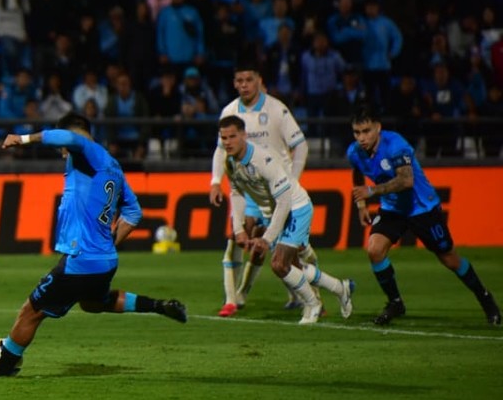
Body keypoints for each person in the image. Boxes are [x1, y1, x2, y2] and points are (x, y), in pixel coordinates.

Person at [0, 112, 187, 378]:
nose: (63, 152)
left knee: (31, 312)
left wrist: (23, 139)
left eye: (62, 147)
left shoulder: (88, 151)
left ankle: (2, 368)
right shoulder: (114, 166)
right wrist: (108, 243)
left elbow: (71, 138)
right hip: (105, 260)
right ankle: (157, 305)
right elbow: (133, 212)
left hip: (81, 258)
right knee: (93, 303)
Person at [348, 107, 500, 326]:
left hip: (421, 208)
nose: (361, 138)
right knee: (374, 250)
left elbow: (406, 181)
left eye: (366, 131)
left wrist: (371, 191)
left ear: (378, 128)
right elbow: (357, 170)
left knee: (449, 259)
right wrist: (361, 205)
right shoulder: (355, 151)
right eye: (357, 132)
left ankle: (485, 297)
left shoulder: (396, 145)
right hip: (393, 209)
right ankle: (395, 302)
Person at [218, 115, 355, 324]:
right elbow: (236, 193)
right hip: (275, 212)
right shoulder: (229, 161)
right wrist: (238, 229)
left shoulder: (263, 160)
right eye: (224, 138)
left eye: (232, 137)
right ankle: (340, 288)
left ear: (244, 135)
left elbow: (284, 201)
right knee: (292, 266)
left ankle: (313, 304)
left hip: (295, 208)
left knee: (279, 264)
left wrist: (267, 238)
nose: (227, 142)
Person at [208, 63, 316, 317]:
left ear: (259, 80)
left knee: (293, 250)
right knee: (237, 236)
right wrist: (215, 181)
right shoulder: (229, 111)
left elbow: (300, 146)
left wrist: (293, 180)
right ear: (234, 83)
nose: (244, 85)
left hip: (277, 191)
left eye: (248, 79)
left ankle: (312, 294)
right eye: (239, 80)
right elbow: (220, 150)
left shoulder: (277, 109)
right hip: (248, 189)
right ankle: (234, 298)